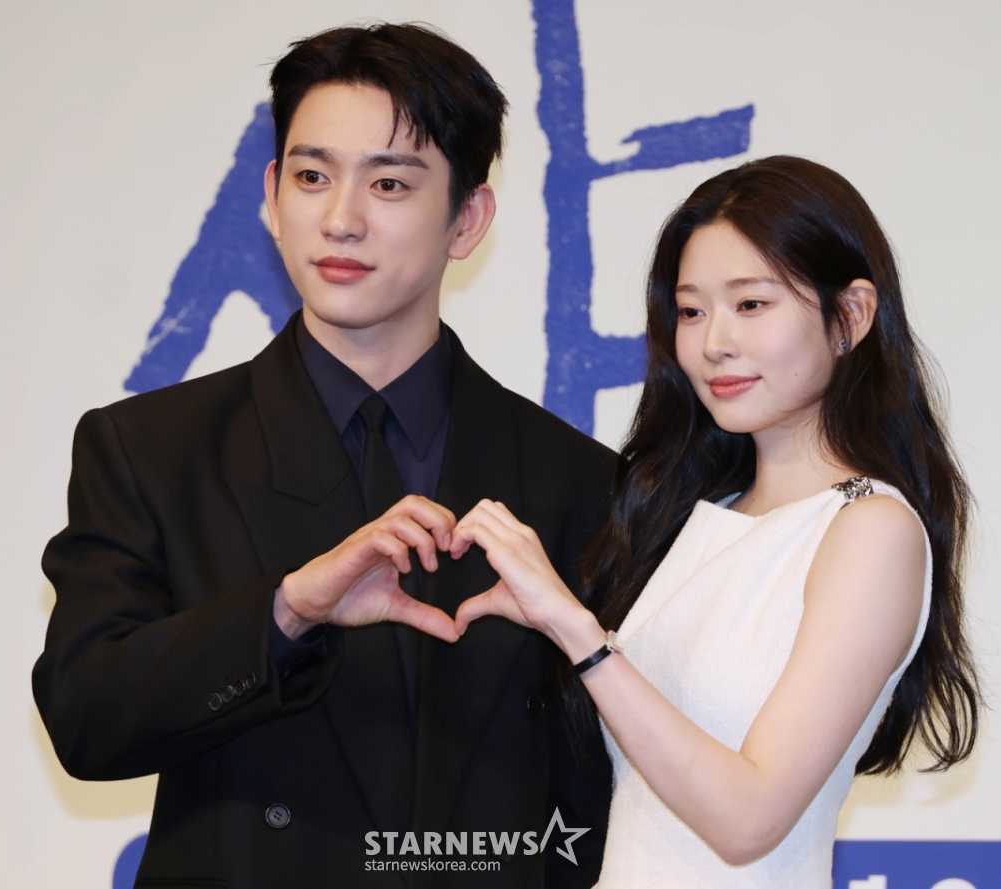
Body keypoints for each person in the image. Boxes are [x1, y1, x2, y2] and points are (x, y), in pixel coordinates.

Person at [32, 24, 616, 889]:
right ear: (271, 196)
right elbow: (86, 718)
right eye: (312, 177)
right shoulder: (150, 450)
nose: (340, 218)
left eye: (388, 182)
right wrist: (287, 611)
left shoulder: (578, 479)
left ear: (469, 217)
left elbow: (595, 793)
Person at [448, 156, 981, 887]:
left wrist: (579, 632)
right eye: (692, 310)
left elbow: (748, 819)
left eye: (752, 305)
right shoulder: (703, 515)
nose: (712, 342)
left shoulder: (871, 527)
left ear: (851, 315)